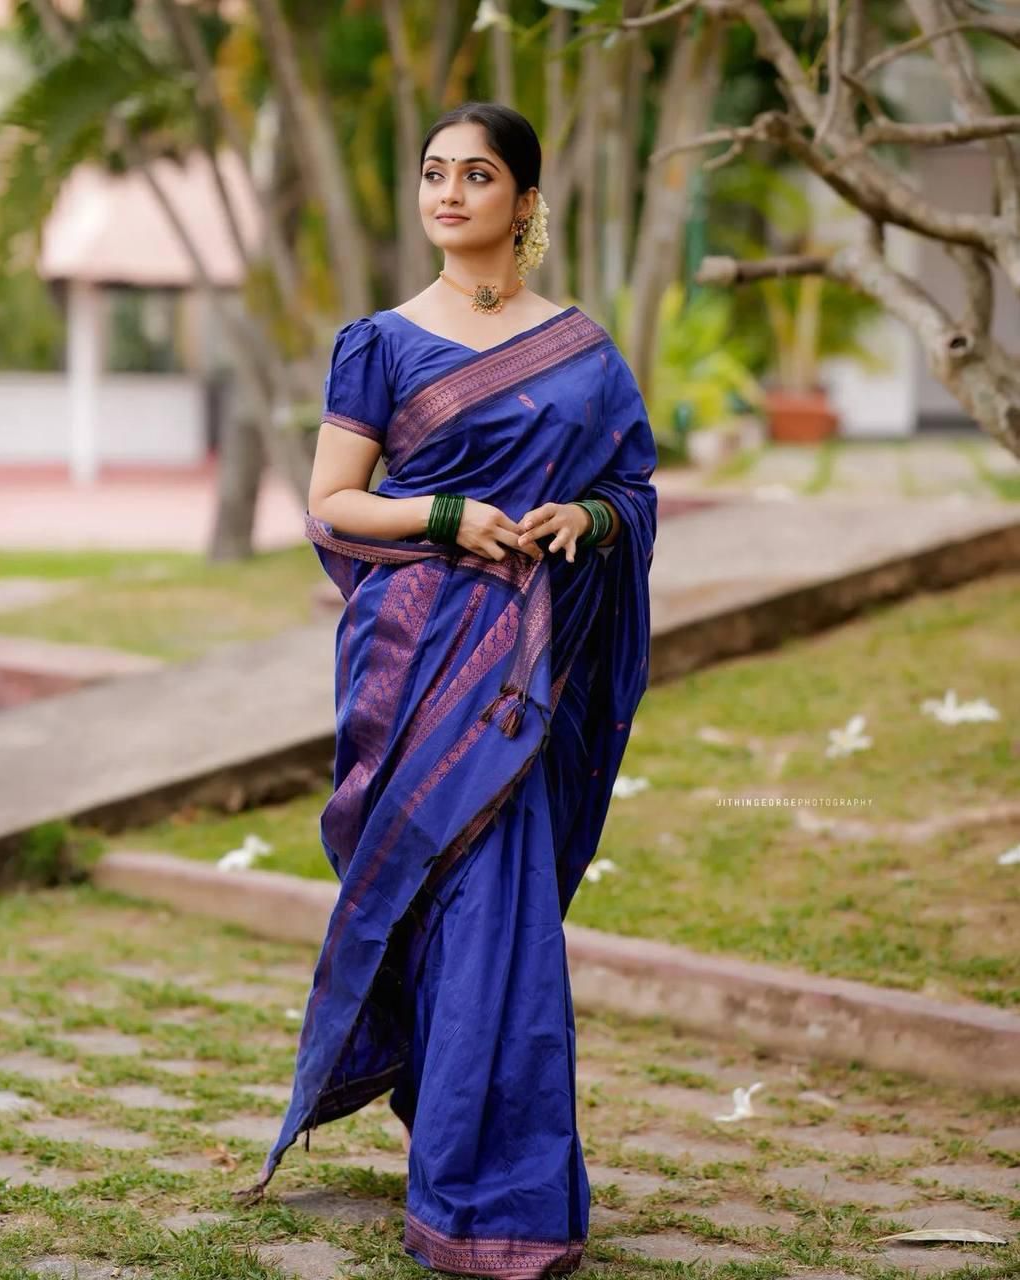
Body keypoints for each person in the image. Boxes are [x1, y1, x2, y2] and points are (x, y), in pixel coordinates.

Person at [235, 100, 658, 1279]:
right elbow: (333, 500)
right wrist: (447, 515)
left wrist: (584, 515)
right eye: (433, 172)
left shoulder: (580, 349)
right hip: (417, 658)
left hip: (529, 672)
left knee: (501, 918)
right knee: (434, 902)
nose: (450, 192)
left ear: (525, 200)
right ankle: (464, 1156)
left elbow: (632, 485)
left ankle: (493, 1194)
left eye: (478, 174)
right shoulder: (379, 340)